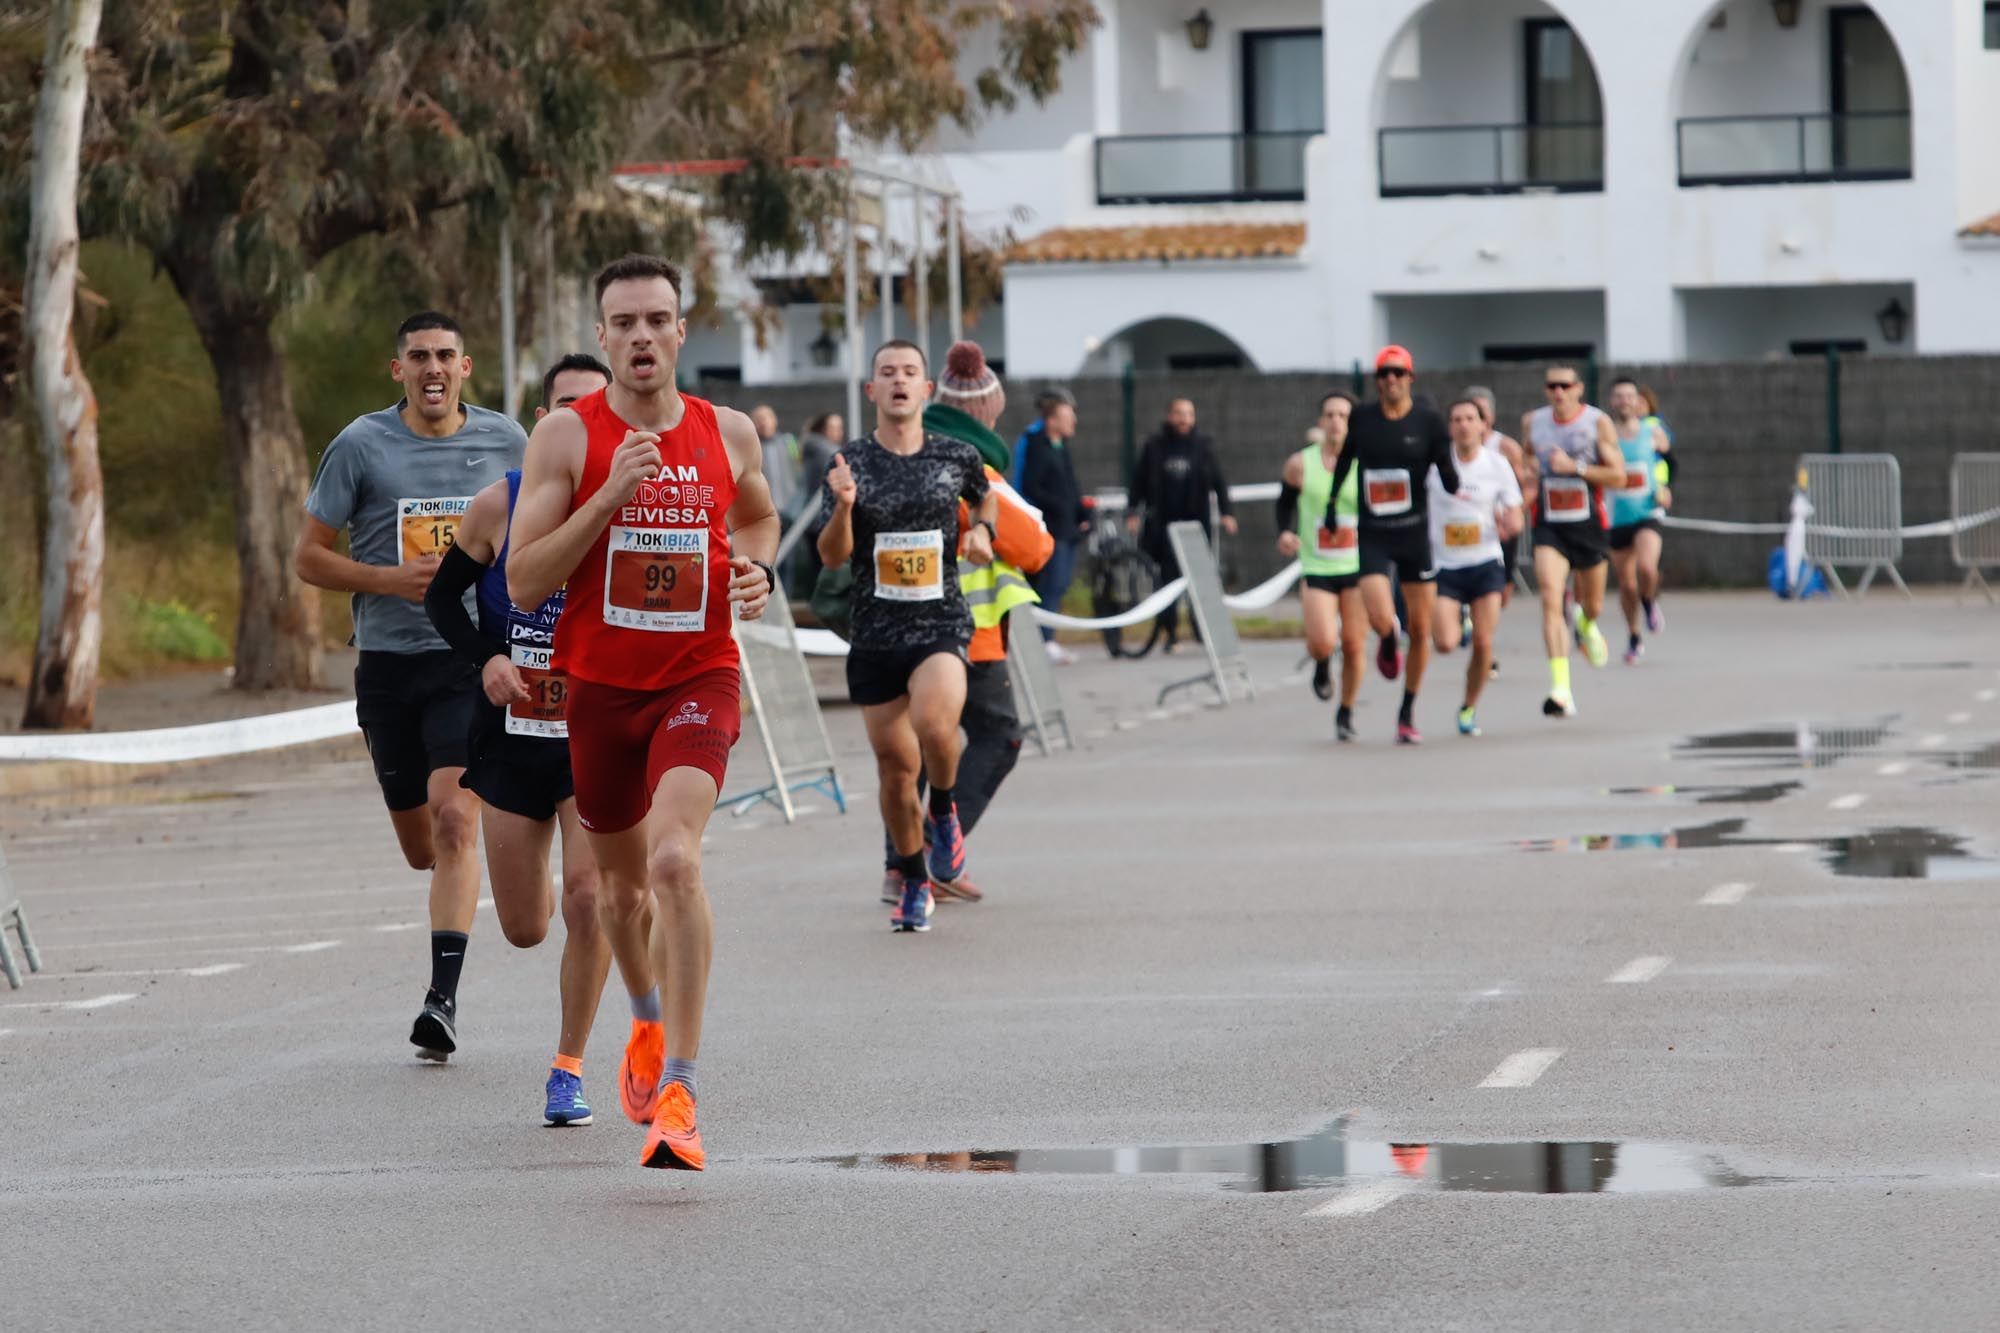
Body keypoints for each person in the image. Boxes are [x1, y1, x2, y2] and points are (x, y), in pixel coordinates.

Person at [506, 254, 781, 1172]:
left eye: (656, 320)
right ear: (602, 336)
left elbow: (758, 517)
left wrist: (759, 569)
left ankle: (684, 1092)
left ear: (680, 329)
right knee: (621, 897)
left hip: (698, 677)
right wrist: (610, 497)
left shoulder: (727, 430)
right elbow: (522, 576)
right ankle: (648, 1022)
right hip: (601, 694)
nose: (640, 338)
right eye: (622, 323)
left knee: (673, 861)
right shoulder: (565, 439)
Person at [297, 310, 526, 1061]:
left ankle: (441, 1001)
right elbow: (308, 557)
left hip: (469, 657)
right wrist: (387, 579)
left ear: (467, 367)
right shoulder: (361, 446)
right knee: (422, 843)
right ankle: (454, 878)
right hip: (390, 665)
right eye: (419, 357)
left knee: (455, 818)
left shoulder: (505, 441)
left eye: (446, 357)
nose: (434, 369)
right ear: (398, 369)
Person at [421, 353, 614, 1125]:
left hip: (594, 734)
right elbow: (441, 601)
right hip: (510, 732)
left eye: (592, 409)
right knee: (528, 925)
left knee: (588, 897)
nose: (576, 422)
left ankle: (568, 1067)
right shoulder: (494, 508)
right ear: (543, 424)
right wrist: (488, 657)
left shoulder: (632, 508)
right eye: (563, 408)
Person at [816, 340, 998, 933]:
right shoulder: (850, 464)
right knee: (895, 773)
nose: (898, 381)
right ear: (872, 391)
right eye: (886, 373)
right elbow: (832, 556)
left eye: (910, 373)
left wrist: (983, 534)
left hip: (939, 621)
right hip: (874, 632)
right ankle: (915, 880)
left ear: (926, 390)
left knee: (936, 726)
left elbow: (986, 497)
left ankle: (943, 807)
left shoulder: (957, 454)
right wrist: (844, 509)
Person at [875, 340, 1054, 906]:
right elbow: (1035, 545)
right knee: (998, 737)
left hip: (893, 627)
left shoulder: (901, 457)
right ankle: (929, 856)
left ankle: (899, 867)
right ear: (984, 411)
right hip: (964, 634)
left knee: (918, 750)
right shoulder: (971, 463)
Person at [1325, 346, 1458, 745]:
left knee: (1421, 628)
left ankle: (1407, 710)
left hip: (1415, 532)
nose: (1392, 380)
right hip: (1374, 532)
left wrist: (1452, 479)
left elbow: (1444, 462)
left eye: (1399, 373)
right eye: (1384, 374)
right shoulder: (1363, 418)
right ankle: (1386, 638)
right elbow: (1346, 460)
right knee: (1381, 615)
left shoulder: (1429, 421)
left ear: (1410, 379)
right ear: (1376, 381)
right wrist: (1333, 504)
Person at [1520, 364, 1625, 719]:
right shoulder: (1533, 422)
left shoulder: (1597, 423)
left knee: (1592, 603)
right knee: (1551, 597)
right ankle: (1561, 689)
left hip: (1588, 524)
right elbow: (1526, 460)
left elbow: (1619, 476)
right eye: (1552, 386)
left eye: (1565, 385)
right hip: (1549, 525)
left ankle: (1587, 624)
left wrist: (1576, 469)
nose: (1558, 392)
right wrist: (1530, 473)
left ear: (1579, 388)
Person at [1428, 399, 1524, 737]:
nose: (1464, 425)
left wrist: (1510, 524)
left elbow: (1515, 514)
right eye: (1457, 419)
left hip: (1485, 562)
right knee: (1444, 642)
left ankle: (1468, 707)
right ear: (1449, 427)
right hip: (1445, 565)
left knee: (1484, 643)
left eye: (1471, 418)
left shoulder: (1497, 465)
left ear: (1484, 426)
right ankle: (1459, 621)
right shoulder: (1434, 464)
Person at [1276, 391, 1367, 740]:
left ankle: (1346, 711)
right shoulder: (1301, 463)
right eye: (1329, 415)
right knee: (1323, 641)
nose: (1335, 422)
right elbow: (1283, 505)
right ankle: (1322, 663)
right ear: (1320, 421)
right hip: (1317, 564)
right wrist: (1285, 531)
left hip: (1357, 565)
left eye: (1343, 416)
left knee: (1356, 644)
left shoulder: (1364, 461)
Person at [1128, 398, 1237, 652]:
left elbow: (1219, 482)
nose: (1184, 419)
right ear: (1169, 416)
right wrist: (1133, 513)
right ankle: (1171, 633)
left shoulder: (1203, 447)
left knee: (1200, 580)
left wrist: (1226, 513)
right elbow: (1138, 482)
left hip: (1196, 526)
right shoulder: (1154, 446)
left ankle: (1202, 632)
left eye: (1188, 414)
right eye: (1178, 413)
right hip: (1163, 526)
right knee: (1167, 581)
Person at [1605, 378, 1674, 664]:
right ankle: (1634, 635)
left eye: (1629, 396)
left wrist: (1665, 487)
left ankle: (1650, 602)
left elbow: (1669, 463)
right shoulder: (1605, 435)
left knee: (1647, 567)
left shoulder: (1653, 432)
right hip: (1617, 516)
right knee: (1627, 584)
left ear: (1638, 401)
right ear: (1612, 401)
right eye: (1619, 396)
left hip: (1648, 512)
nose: (1624, 401)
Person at [1014, 388, 1084, 663]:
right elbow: (1032, 487)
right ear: (1052, 419)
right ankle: (1043, 640)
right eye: (1067, 416)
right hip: (1049, 528)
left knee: (1060, 583)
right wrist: (1060, 505)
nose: (1073, 421)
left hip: (1066, 527)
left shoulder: (1060, 446)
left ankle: (1047, 638)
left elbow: (1070, 484)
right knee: (1049, 585)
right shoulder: (1036, 445)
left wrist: (1080, 511)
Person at [752, 404, 802, 521]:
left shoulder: (789, 442)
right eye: (758, 419)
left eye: (766, 418)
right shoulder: (752, 447)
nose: (763, 423)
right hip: (765, 510)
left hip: (791, 507)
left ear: (774, 420)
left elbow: (800, 468)